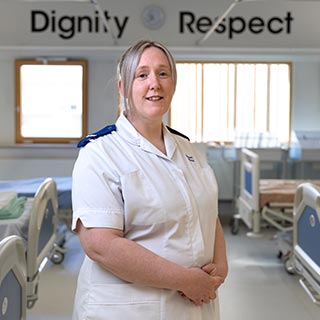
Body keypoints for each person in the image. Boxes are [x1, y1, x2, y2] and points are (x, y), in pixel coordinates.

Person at [71, 39, 228, 320]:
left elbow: (208, 213)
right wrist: (186, 280)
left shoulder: (189, 150)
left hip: (195, 304)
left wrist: (220, 267)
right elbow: (100, 245)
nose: (154, 83)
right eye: (142, 75)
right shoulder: (100, 154)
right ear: (123, 88)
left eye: (163, 73)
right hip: (129, 309)